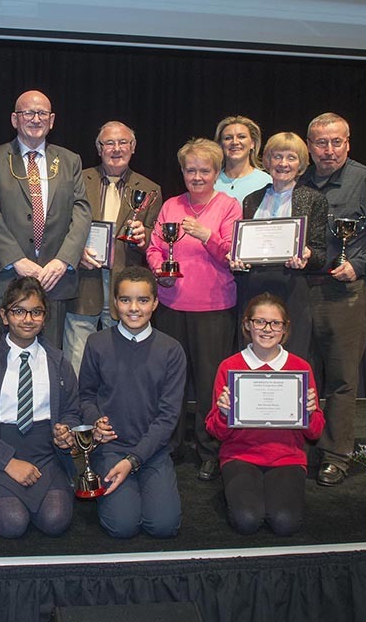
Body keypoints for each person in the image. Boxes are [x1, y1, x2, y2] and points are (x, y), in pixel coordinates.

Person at [298, 113, 366, 487]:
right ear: (309, 146)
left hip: (345, 292)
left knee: (341, 380)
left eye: (336, 142)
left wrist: (358, 266)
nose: (328, 150)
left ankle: (336, 455)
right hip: (301, 291)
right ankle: (302, 448)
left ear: (348, 143)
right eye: (321, 143)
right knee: (301, 375)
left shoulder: (365, 180)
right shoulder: (298, 180)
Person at [145, 138, 241, 482]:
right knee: (170, 382)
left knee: (208, 385)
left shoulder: (229, 206)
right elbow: (155, 247)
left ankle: (208, 449)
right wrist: (159, 272)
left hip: (214, 307)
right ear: (182, 172)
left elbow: (232, 254)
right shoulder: (171, 205)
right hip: (172, 305)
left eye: (204, 170)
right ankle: (169, 444)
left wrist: (206, 236)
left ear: (217, 172)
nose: (197, 176)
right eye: (190, 170)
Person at [0, 277, 79, 538]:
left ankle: (29, 499)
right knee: (13, 523)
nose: (27, 319)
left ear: (45, 318)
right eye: (19, 311)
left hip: (46, 455)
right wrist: (7, 462)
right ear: (4, 316)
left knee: (56, 520)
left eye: (36, 312)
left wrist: (65, 429)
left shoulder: (58, 362)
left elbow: (71, 408)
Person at [71, 267, 185, 538]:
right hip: (110, 449)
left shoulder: (171, 350)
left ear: (155, 303)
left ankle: (139, 480)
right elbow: (85, 395)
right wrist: (95, 420)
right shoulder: (97, 343)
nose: (134, 308)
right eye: (125, 300)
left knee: (163, 526)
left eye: (143, 300)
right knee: (123, 526)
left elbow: (168, 417)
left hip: (153, 450)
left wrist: (134, 460)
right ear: (114, 303)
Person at [0, 90, 91, 347]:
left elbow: (82, 211)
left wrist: (63, 261)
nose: (35, 119)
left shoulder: (70, 160)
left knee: (50, 362)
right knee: (1, 360)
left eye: (42, 113)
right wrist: (17, 260)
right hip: (7, 277)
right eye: (28, 112)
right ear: (14, 119)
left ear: (51, 120)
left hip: (55, 279)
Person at [207, 293, 325, 536]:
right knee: (247, 520)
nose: (267, 329)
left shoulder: (300, 368)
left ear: (284, 328)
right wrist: (224, 413)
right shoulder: (229, 367)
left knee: (285, 522)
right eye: (260, 321)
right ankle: (234, 494)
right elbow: (214, 430)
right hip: (240, 456)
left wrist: (310, 413)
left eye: (275, 323)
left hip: (287, 457)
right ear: (248, 325)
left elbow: (316, 432)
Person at [63, 121, 162, 375]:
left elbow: (158, 239)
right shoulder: (78, 179)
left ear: (133, 147)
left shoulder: (150, 189)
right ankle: (76, 414)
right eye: (109, 143)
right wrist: (74, 253)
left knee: (118, 363)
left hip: (125, 285)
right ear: (99, 148)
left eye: (123, 143)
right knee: (77, 358)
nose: (116, 149)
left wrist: (144, 238)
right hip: (84, 282)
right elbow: (61, 225)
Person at [233, 132, 328, 362]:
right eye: (277, 156)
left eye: (291, 157)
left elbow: (320, 253)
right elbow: (244, 244)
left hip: (292, 286)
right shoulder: (251, 199)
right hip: (254, 286)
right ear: (267, 161)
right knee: (251, 356)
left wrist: (307, 255)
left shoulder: (313, 199)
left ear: (302, 164)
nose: (283, 163)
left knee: (292, 357)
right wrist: (237, 259)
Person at [213, 116, 271, 204]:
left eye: (241, 137)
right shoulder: (211, 181)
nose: (235, 142)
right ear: (221, 145)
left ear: (252, 143)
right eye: (228, 138)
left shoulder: (266, 182)